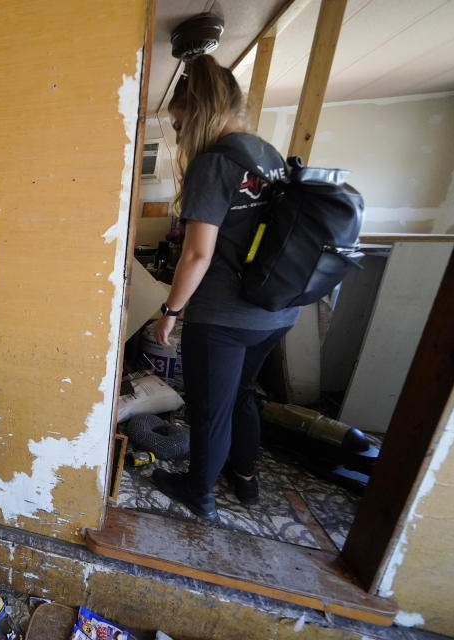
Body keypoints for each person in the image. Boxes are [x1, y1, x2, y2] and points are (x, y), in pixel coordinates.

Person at [150, 55, 300, 521]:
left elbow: (197, 254)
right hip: (276, 311)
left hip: (224, 317)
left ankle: (199, 493)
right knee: (241, 395)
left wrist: (170, 311)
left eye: (178, 122)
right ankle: (246, 481)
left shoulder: (213, 165)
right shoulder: (268, 156)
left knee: (210, 408)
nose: (178, 134)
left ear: (195, 112)